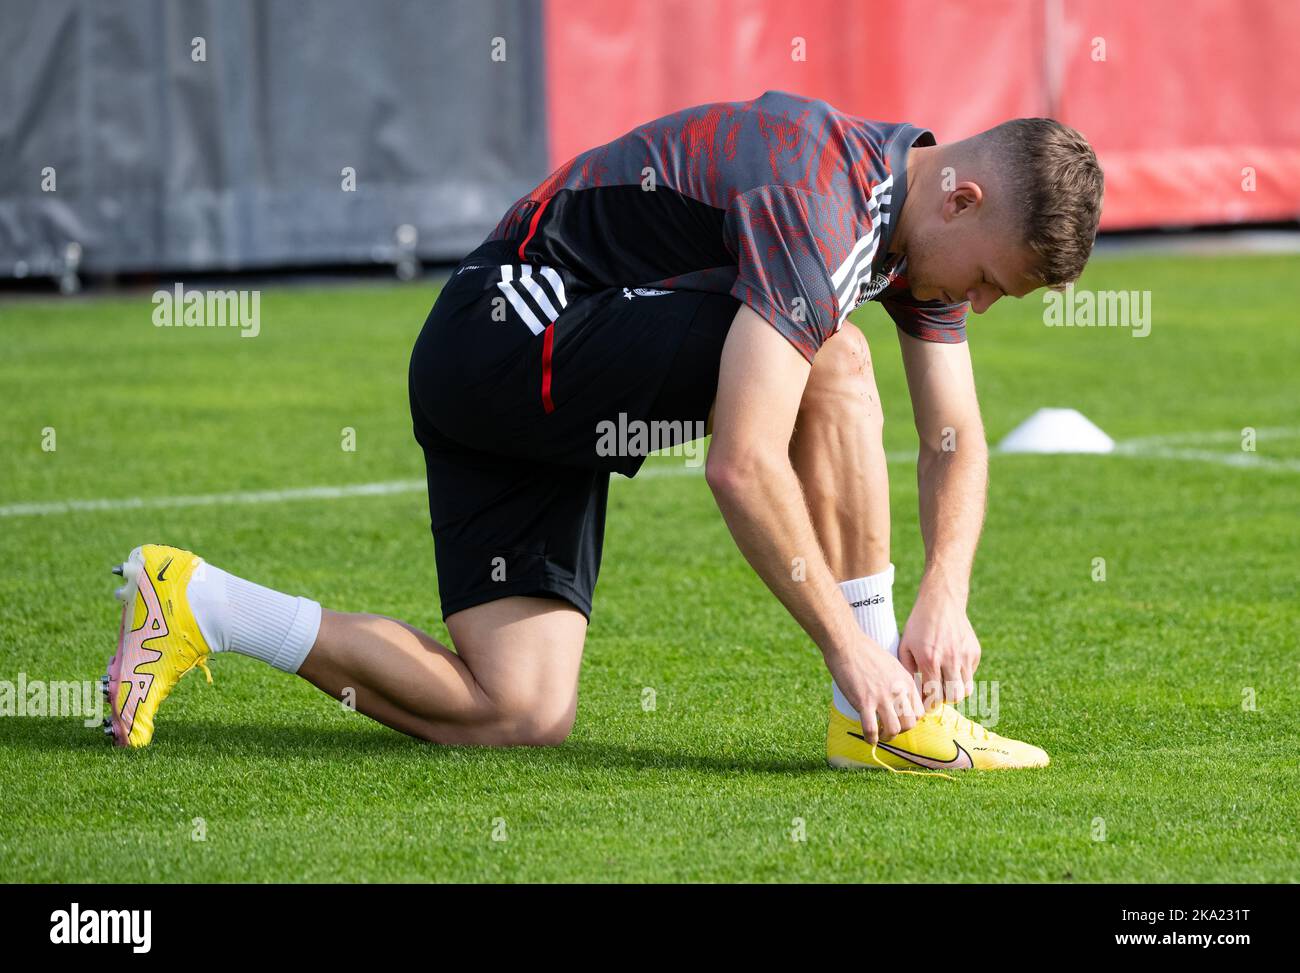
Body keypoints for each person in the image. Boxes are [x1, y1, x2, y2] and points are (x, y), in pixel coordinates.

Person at [102, 90, 1103, 770]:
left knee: (518, 710)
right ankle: (878, 727)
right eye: (983, 283)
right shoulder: (821, 195)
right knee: (831, 358)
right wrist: (859, 654)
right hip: (508, 339)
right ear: (961, 197)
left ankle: (198, 602)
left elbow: (954, 439)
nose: (972, 308)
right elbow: (744, 463)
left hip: (520, 386)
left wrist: (947, 594)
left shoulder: (914, 229)